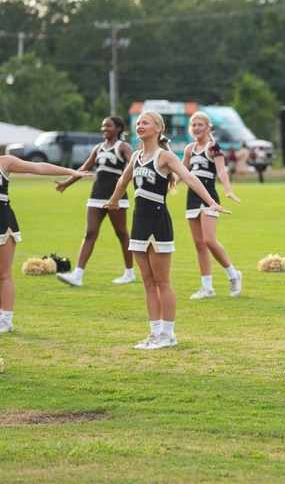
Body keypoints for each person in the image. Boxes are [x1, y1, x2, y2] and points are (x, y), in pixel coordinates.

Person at [104, 111, 230, 350]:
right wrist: (112, 201)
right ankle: (154, 333)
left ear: (158, 129)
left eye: (145, 122)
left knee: (162, 281)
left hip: (158, 222)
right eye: (138, 122)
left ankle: (169, 334)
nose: (140, 126)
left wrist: (210, 202)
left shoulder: (165, 157)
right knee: (147, 281)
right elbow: (123, 181)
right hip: (139, 222)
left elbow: (191, 178)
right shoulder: (137, 157)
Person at [0, 156, 90, 334]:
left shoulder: (5, 162)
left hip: (2, 220)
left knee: (3, 273)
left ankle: (6, 320)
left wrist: (70, 171)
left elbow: (38, 167)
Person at [54, 116, 136, 287]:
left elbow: (133, 164)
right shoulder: (98, 148)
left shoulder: (123, 146)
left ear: (118, 129)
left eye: (108, 125)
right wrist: (65, 184)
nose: (104, 128)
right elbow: (83, 169)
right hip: (96, 193)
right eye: (103, 126)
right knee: (90, 233)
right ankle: (77, 275)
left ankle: (129, 273)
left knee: (121, 234)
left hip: (116, 194)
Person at [181, 111, 243, 300]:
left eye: (200, 125)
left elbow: (221, 171)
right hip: (192, 198)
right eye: (194, 125)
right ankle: (207, 287)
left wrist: (228, 190)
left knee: (209, 239)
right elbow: (182, 172)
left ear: (208, 127)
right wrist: (167, 185)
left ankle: (233, 274)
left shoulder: (213, 147)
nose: (197, 128)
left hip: (209, 197)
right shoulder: (189, 149)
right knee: (199, 244)